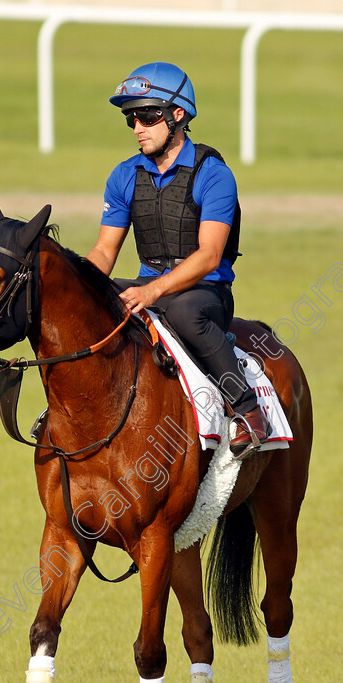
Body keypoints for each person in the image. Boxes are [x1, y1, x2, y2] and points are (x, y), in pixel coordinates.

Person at [87, 61, 271, 457]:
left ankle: (248, 410)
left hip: (205, 293)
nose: (137, 127)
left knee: (186, 313)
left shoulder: (214, 174)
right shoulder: (123, 176)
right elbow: (104, 251)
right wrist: (79, 286)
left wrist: (152, 291)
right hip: (149, 286)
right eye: (130, 118)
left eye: (147, 116)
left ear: (177, 115)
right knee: (83, 307)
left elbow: (209, 256)